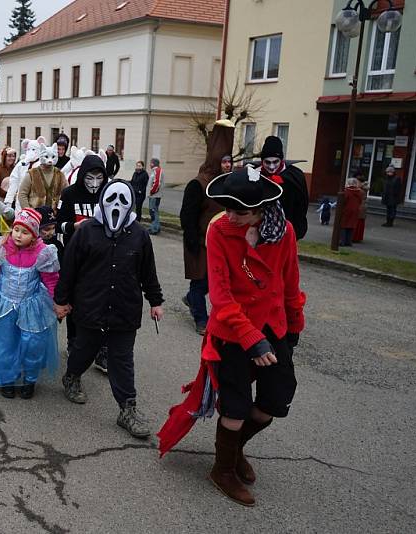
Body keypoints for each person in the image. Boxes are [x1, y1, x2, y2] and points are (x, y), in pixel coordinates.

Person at [157, 166, 305, 507]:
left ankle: (235, 450)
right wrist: (250, 337)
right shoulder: (219, 230)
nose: (231, 216)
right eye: (229, 208)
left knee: (274, 402)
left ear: (262, 209)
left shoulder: (285, 231)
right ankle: (222, 470)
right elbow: (220, 295)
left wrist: (294, 326)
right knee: (235, 408)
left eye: (241, 212)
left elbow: (290, 282)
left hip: (273, 327)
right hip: (233, 331)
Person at [56, 179, 165, 439]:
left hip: (124, 311)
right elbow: (69, 269)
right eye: (112, 199)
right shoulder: (86, 232)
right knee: (83, 350)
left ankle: (127, 409)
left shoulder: (139, 235)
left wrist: (156, 301)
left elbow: (148, 272)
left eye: (123, 201)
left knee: (121, 360)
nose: (117, 206)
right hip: (90, 307)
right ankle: (71, 376)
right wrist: (61, 300)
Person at [0, 208, 60, 399]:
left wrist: (57, 302)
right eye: (16, 230)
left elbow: (51, 280)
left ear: (34, 235)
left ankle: (29, 378)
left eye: (25, 232)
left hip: (32, 306)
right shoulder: (1, 248)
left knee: (32, 343)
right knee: (4, 343)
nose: (19, 235)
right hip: (4, 305)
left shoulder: (43, 253)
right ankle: (7, 378)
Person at [179, 121, 231, 336]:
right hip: (200, 242)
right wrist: (192, 241)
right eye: (224, 161)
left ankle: (192, 300)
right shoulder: (198, 184)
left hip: (221, 243)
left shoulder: (229, 183)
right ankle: (201, 319)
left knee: (214, 281)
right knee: (200, 281)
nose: (228, 165)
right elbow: (187, 216)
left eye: (230, 161)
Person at [56, 154, 108, 358]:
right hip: (76, 255)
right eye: (89, 178)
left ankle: (101, 348)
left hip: (102, 257)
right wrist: (73, 226)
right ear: (81, 175)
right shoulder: (69, 194)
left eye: (99, 178)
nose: (94, 183)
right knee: (75, 303)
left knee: (103, 303)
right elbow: (58, 223)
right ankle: (73, 342)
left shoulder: (108, 193)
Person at [258, 136, 309, 240]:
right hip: (261, 230)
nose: (272, 167)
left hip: (288, 229)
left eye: (275, 162)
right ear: (262, 161)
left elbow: (301, 205)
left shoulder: (294, 176)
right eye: (267, 162)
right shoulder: (255, 174)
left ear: (281, 160)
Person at [17, 144, 67, 211]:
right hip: (35, 216)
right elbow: (22, 194)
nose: (50, 160)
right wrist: (28, 212)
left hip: (55, 216)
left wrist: (61, 210)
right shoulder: (32, 174)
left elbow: (66, 194)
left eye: (53, 157)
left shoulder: (60, 175)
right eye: (46, 156)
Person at [340, 178, 362, 247]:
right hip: (355, 211)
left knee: (343, 226)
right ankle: (349, 242)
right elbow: (360, 201)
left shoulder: (346, 191)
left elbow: (343, 201)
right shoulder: (359, 192)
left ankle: (342, 241)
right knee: (351, 226)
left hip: (346, 210)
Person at [146, 158, 164, 235]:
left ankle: (155, 228)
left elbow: (157, 183)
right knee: (153, 211)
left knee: (153, 211)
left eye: (150, 163)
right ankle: (155, 226)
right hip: (153, 195)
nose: (150, 164)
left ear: (153, 163)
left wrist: (152, 192)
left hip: (155, 195)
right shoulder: (154, 171)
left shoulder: (157, 171)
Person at [352, 171, 368, 242]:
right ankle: (357, 237)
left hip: (359, 206)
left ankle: (354, 237)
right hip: (361, 206)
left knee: (357, 222)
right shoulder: (363, 187)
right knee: (359, 222)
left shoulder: (360, 189)